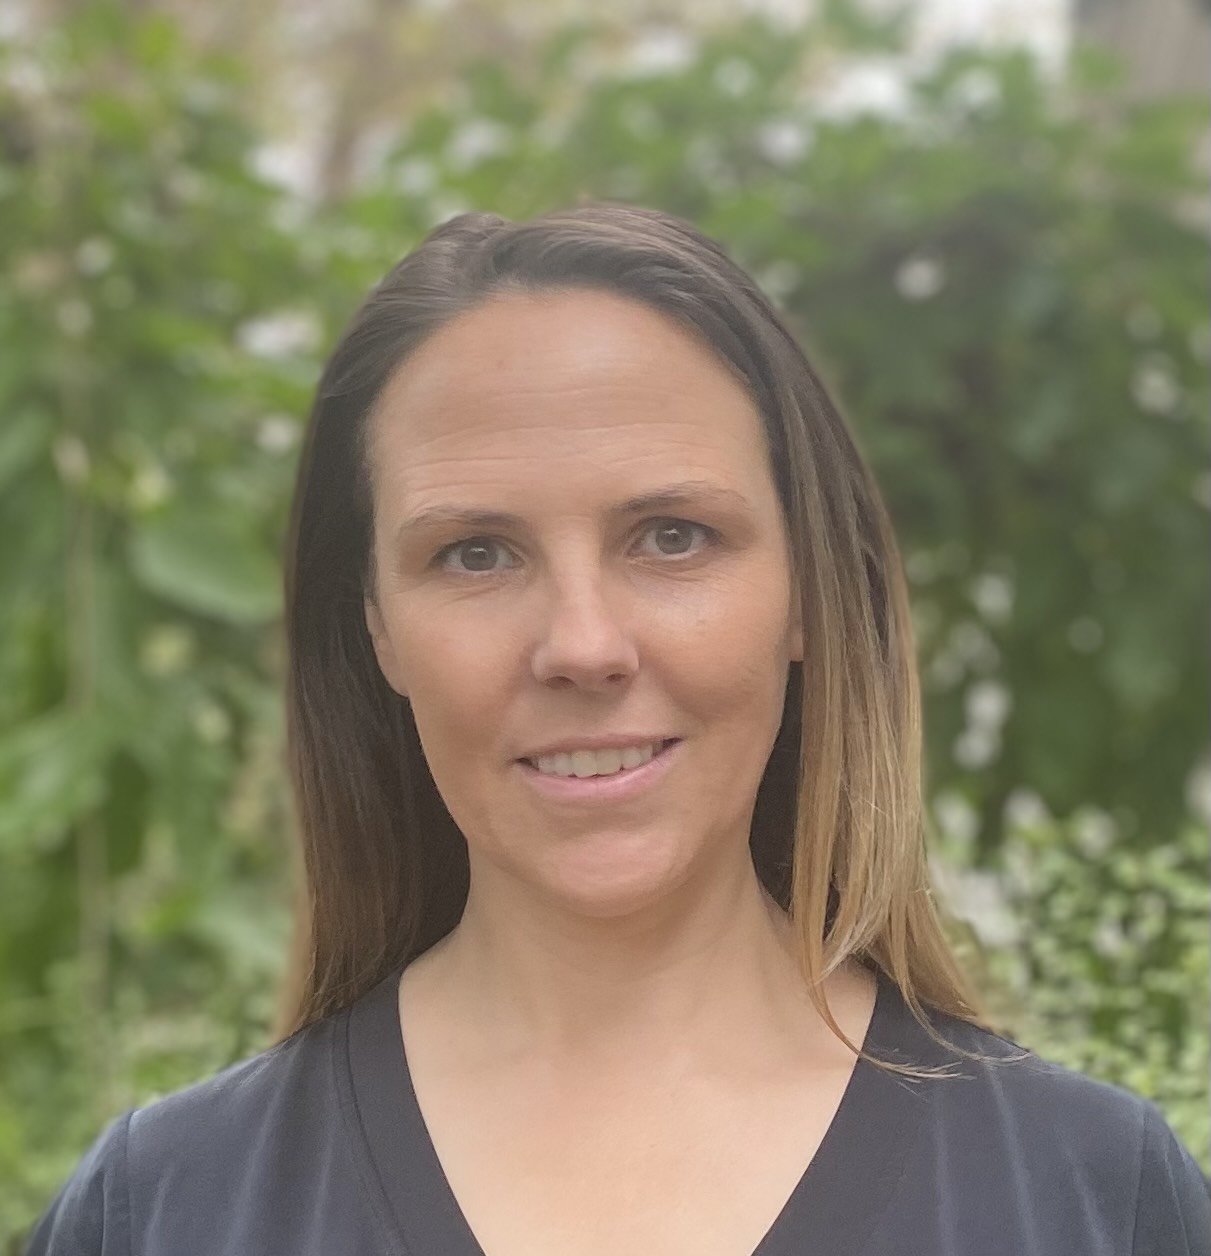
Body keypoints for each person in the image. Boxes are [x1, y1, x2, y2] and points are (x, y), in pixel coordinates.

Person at [23, 203, 1209, 1256]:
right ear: (375, 628)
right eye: (475, 553)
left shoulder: (1091, 1195)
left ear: (809, 593)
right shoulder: (171, 1208)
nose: (582, 644)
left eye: (671, 535)